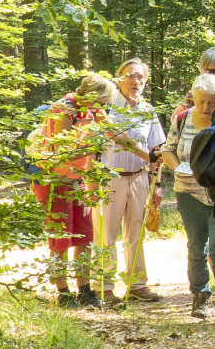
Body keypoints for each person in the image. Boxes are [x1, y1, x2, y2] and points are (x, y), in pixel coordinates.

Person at [32, 74, 118, 307]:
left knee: (84, 237)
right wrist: (92, 147)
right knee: (60, 239)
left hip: (77, 181)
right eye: (102, 102)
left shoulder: (90, 111)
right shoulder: (64, 109)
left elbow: (115, 137)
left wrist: (89, 185)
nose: (103, 108)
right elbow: (62, 153)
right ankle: (64, 293)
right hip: (54, 181)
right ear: (91, 96)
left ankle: (85, 290)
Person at [164, 73, 215, 321]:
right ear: (193, 98)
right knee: (197, 247)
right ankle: (201, 297)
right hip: (188, 193)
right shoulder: (182, 119)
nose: (207, 108)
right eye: (202, 101)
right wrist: (178, 168)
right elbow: (168, 151)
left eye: (213, 102)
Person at [98, 57, 166, 306]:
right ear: (119, 78)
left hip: (139, 178)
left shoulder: (148, 111)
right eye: (130, 75)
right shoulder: (107, 108)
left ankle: (137, 284)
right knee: (107, 234)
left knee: (135, 233)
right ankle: (103, 287)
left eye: (141, 77)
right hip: (110, 176)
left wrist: (156, 183)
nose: (135, 81)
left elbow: (156, 150)